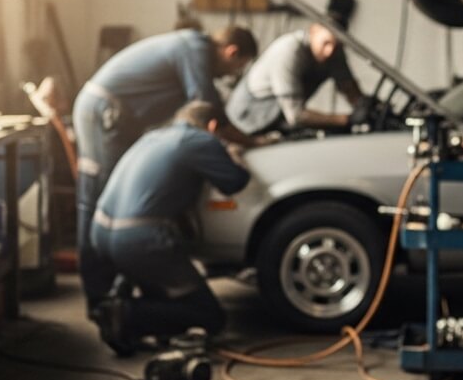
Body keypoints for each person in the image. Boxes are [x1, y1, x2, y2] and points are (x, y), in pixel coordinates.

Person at [73, 25, 257, 307]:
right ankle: (103, 300)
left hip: (110, 115)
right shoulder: (194, 48)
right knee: (103, 204)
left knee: (114, 203)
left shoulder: (189, 47)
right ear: (231, 51)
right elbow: (208, 107)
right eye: (237, 67)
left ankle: (122, 292)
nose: (231, 75)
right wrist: (251, 141)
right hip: (104, 113)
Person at [89, 101, 251, 355]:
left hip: (100, 232)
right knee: (210, 316)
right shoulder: (200, 140)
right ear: (212, 126)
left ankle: (122, 305)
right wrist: (235, 156)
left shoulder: (153, 136)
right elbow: (234, 182)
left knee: (167, 298)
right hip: (139, 240)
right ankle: (126, 314)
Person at [225, 18, 365, 134]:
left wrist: (363, 105)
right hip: (245, 121)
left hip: (276, 119)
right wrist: (346, 120)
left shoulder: (334, 53)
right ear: (313, 31)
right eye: (326, 43)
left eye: (336, 45)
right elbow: (296, 115)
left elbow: (348, 87)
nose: (329, 51)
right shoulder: (289, 51)